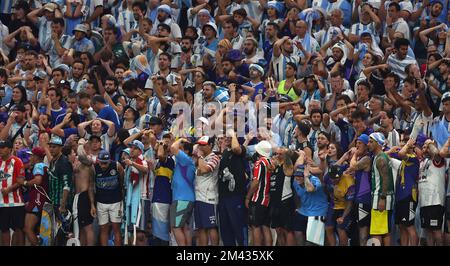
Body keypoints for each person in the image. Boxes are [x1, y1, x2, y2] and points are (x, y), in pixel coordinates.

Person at [367, 132, 395, 246]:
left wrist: (382, 198)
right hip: (382, 198)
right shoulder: (379, 156)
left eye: (371, 142)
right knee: (385, 231)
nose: (368, 144)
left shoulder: (380, 159)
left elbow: (386, 179)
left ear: (378, 143)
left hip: (380, 198)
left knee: (376, 232)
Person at [93, 150, 125, 246]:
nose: (103, 165)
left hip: (116, 202)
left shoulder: (116, 166)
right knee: (103, 229)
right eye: (101, 163)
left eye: (105, 163)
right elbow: (91, 185)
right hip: (101, 202)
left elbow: (122, 179)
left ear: (110, 161)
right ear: (98, 161)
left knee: (116, 228)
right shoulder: (94, 168)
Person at [193, 135, 220, 246]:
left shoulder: (214, 157)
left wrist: (199, 157)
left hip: (209, 197)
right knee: (201, 228)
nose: (201, 147)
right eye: (200, 145)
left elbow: (204, 170)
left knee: (211, 227)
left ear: (210, 146)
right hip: (198, 196)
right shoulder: (201, 159)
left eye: (203, 145)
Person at [246, 140, 273, 246]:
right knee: (266, 227)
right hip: (267, 200)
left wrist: (248, 197)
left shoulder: (259, 163)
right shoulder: (271, 162)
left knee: (255, 227)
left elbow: (255, 182)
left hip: (258, 199)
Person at [170, 138, 196, 246]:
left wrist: (180, 139)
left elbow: (173, 148)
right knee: (185, 227)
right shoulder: (187, 161)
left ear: (186, 151)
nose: (178, 152)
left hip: (182, 199)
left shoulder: (185, 159)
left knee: (175, 227)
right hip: (186, 198)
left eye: (181, 149)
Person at [0, 139, 26, 246]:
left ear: (10, 149)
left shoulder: (17, 161)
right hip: (1, 202)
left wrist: (8, 190)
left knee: (18, 228)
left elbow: (20, 180)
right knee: (4, 228)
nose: (0, 149)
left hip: (16, 202)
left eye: (3, 147)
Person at [22, 147, 48, 246]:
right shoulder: (44, 165)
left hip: (37, 199)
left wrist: (25, 182)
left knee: (28, 228)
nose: (30, 157)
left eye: (32, 155)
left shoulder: (38, 166)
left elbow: (38, 180)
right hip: (40, 199)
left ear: (36, 157)